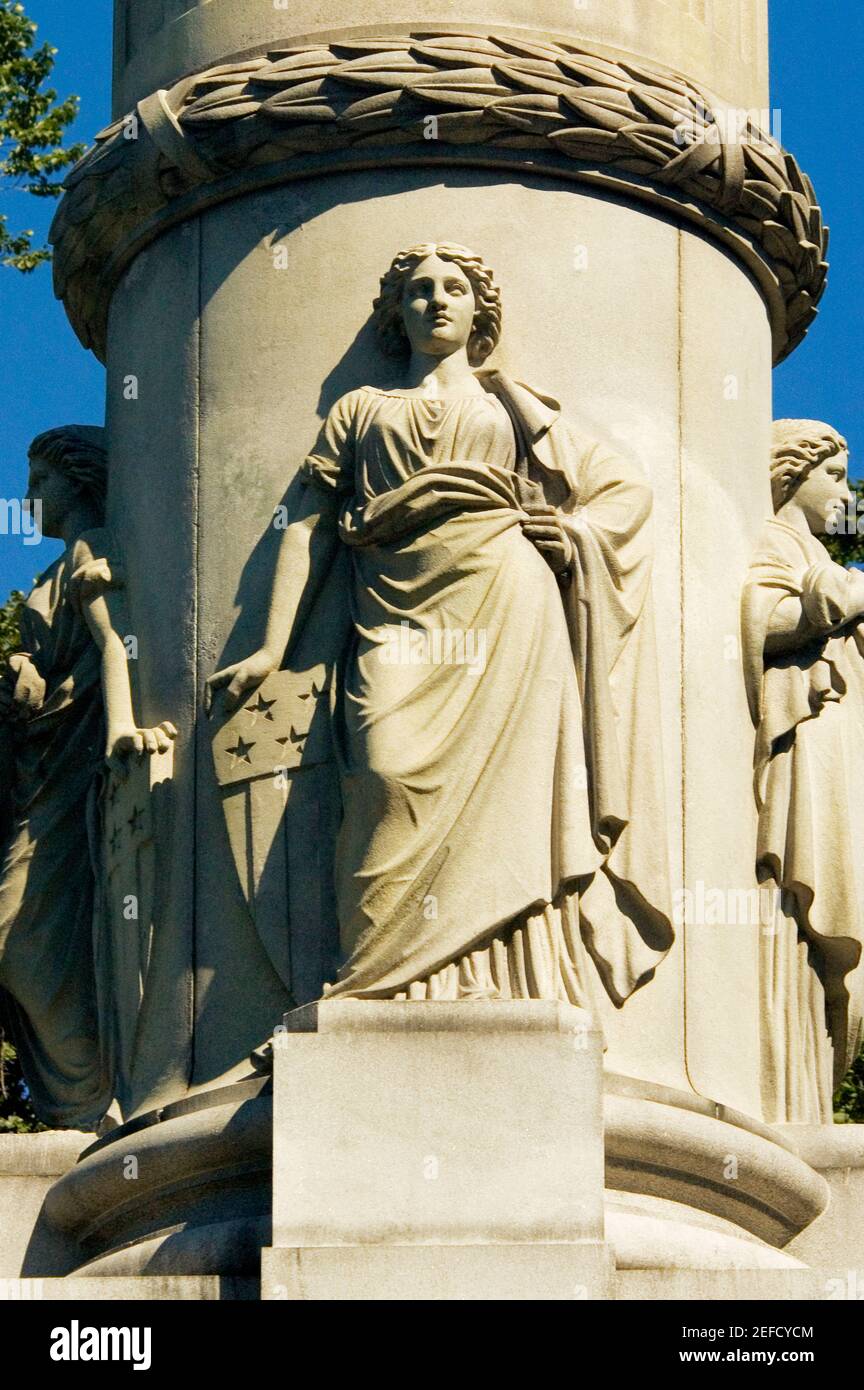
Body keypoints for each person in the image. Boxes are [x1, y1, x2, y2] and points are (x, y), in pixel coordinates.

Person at [207, 243, 672, 1009]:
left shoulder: (512, 404)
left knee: (510, 797)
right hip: (393, 609)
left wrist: (573, 533)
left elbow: (625, 490)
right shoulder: (361, 410)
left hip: (506, 598)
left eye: (454, 288)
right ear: (398, 313)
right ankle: (378, 976)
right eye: (419, 291)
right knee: (384, 771)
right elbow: (309, 528)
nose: (437, 301)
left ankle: (487, 978)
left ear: (479, 309)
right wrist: (270, 647)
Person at [0, 425, 175, 1129]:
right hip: (40, 771)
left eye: (42, 482)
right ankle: (80, 1104)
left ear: (80, 480)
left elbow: (114, 641)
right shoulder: (48, 577)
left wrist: (122, 730)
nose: (29, 497)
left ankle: (90, 1099)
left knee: (17, 936)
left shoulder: (89, 549)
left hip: (77, 767)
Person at [742, 419, 864, 1122]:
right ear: (792, 474)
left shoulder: (813, 549)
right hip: (804, 749)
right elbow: (764, 616)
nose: (844, 493)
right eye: (834, 477)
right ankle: (789, 1090)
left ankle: (811, 1086)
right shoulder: (774, 542)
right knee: (798, 902)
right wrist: (840, 596)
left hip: (836, 744)